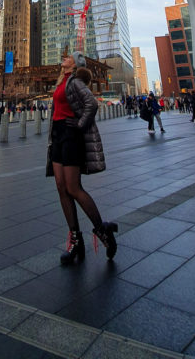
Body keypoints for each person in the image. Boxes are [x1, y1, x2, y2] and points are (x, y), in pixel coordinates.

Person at [47, 51, 118, 265]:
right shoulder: (62, 82)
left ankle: (103, 230)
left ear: (75, 64)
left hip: (70, 134)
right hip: (59, 135)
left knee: (73, 188)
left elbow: (92, 104)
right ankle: (76, 241)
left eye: (68, 57)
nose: (64, 58)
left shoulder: (75, 81)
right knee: (61, 187)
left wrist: (78, 126)